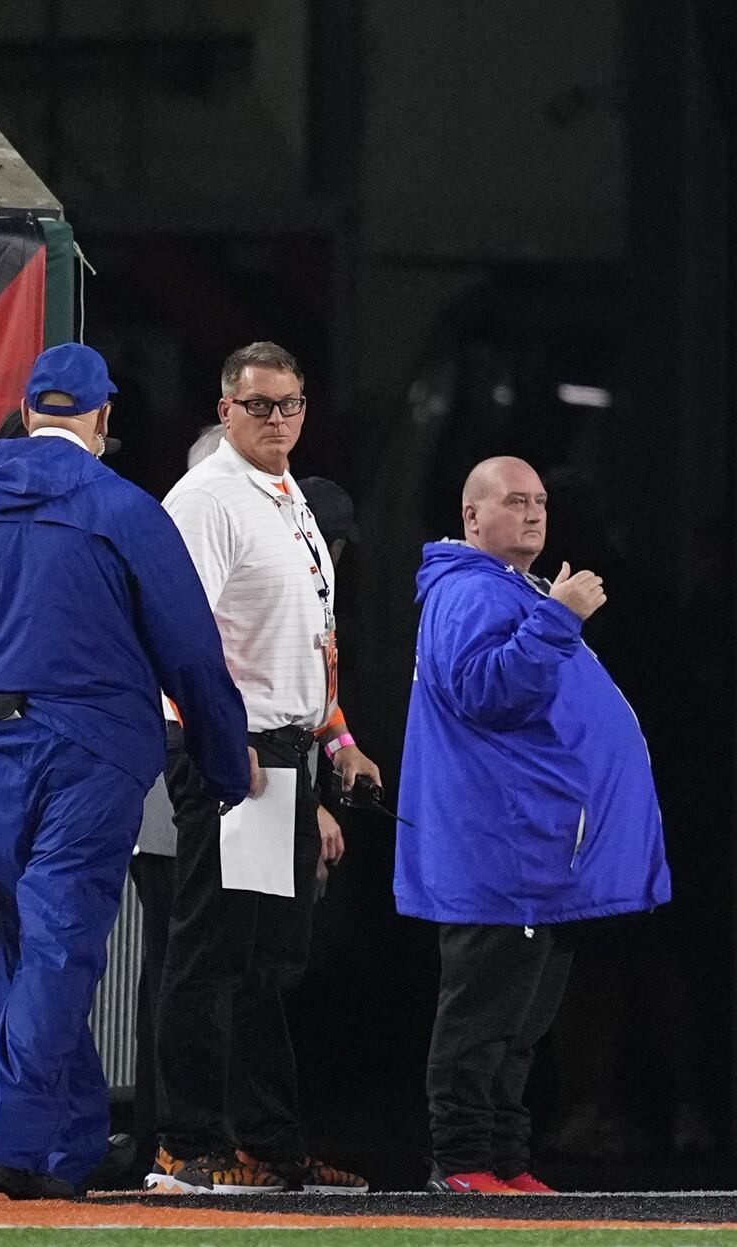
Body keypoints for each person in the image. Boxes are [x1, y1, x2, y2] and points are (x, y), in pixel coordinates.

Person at [0, 345, 259, 1201]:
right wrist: (223, 764)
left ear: (29, 411)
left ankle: (62, 1149)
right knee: (62, 943)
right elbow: (191, 652)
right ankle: (12, 1144)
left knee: (23, 950)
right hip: (92, 751)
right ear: (103, 419)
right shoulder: (127, 511)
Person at [408, 450, 670, 1195]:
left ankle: (503, 1158)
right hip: (499, 850)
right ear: (471, 515)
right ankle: (460, 1160)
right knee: (481, 1017)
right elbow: (486, 690)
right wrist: (561, 617)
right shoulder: (467, 594)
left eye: (541, 501)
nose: (532, 512)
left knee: (518, 1028)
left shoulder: (506, 590)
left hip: (532, 854)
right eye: (515, 500)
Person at [154, 341, 379, 1192]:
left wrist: (335, 740)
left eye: (290, 403)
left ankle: (264, 1145)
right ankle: (185, 1142)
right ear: (225, 411)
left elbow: (312, 642)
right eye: (259, 406)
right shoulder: (208, 497)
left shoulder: (287, 497)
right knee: (212, 948)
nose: (278, 418)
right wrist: (221, 742)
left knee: (269, 961)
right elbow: (180, 633)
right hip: (232, 750)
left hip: (281, 750)